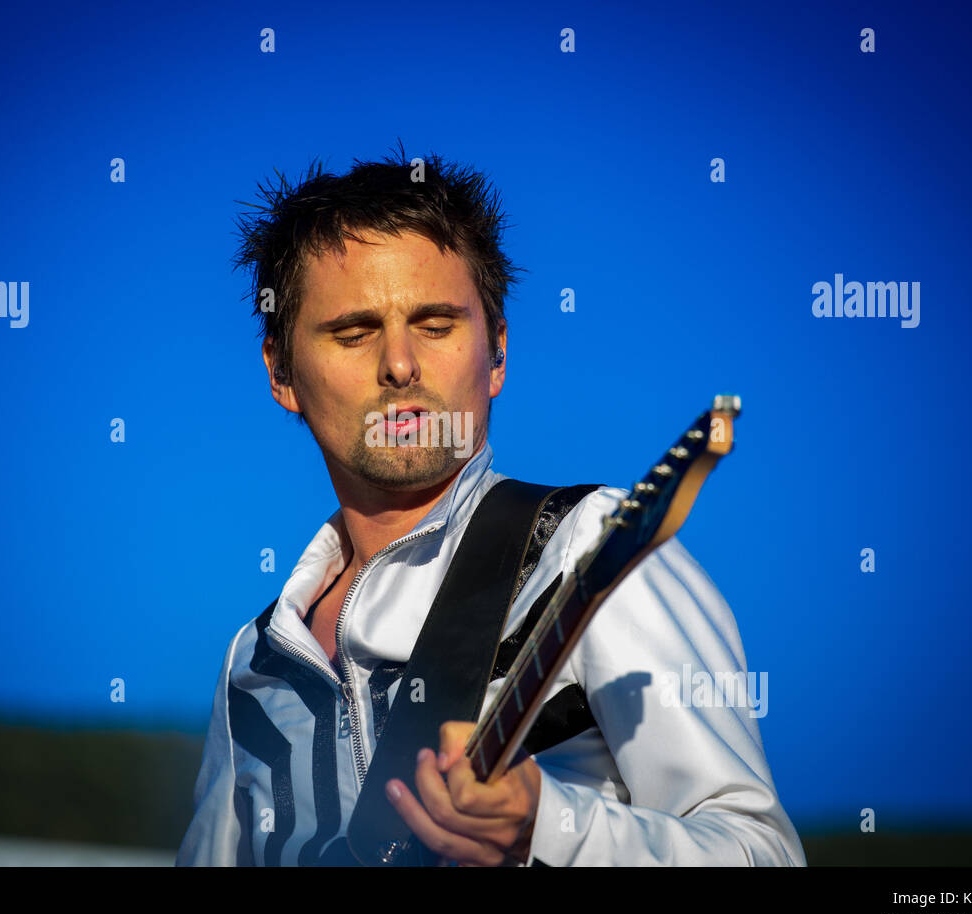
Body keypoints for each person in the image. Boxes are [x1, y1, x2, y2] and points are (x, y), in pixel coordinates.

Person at [175, 143, 805, 867]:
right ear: (282, 371)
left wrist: (550, 826)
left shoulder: (590, 547)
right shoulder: (251, 663)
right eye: (353, 331)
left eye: (437, 325)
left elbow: (762, 854)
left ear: (497, 352)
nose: (400, 365)